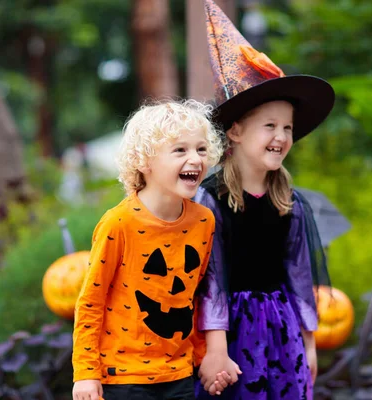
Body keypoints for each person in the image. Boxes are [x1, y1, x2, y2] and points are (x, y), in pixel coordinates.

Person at [194, 1, 335, 399]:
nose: (281, 137)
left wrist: (309, 344)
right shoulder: (212, 200)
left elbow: (300, 276)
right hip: (230, 334)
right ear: (235, 132)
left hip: (282, 330)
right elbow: (212, 281)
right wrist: (217, 350)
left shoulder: (290, 203)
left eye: (287, 127)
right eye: (269, 125)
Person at [71, 99, 231, 400]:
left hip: (179, 374)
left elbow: (190, 295)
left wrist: (203, 357)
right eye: (180, 150)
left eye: (200, 149)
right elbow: (91, 302)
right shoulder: (119, 223)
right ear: (144, 161)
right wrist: (86, 374)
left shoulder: (204, 221)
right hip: (123, 376)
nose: (195, 159)